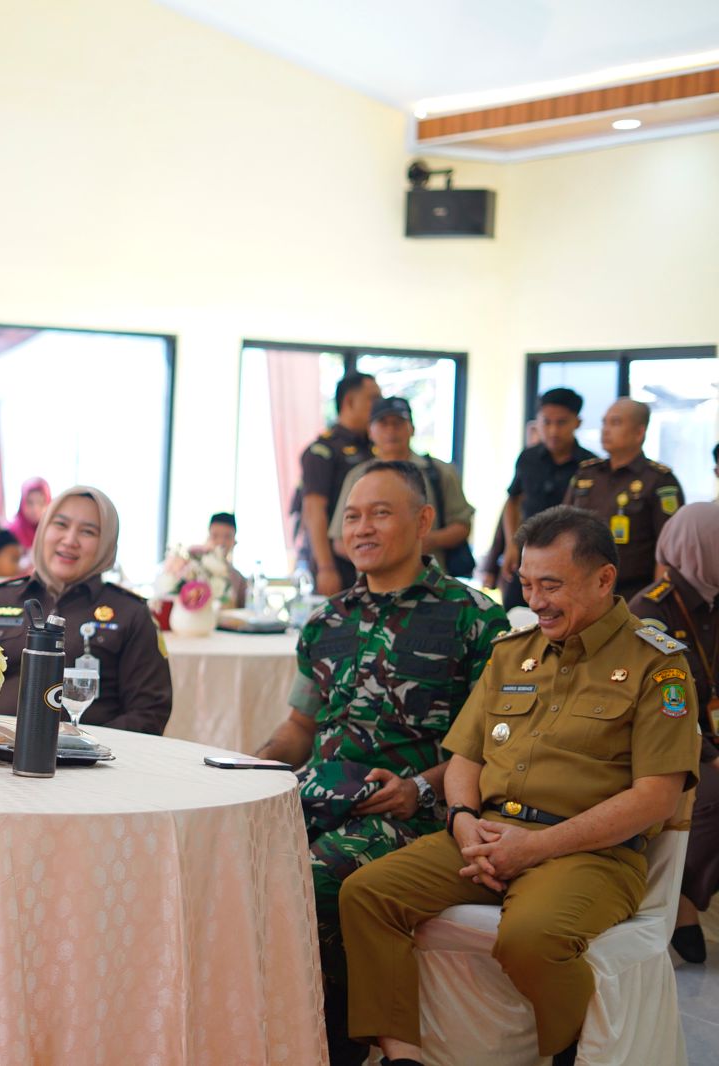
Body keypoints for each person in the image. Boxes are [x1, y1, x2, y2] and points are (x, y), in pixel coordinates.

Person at [339, 505, 701, 1066]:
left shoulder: (658, 666)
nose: (535, 602)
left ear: (604, 579)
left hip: (590, 855)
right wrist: (463, 821)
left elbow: (655, 797)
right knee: (366, 894)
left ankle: (570, 1050)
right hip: (486, 835)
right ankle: (403, 1056)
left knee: (530, 939)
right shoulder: (514, 653)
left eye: (551, 585)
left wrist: (535, 847)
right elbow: (465, 757)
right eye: (527, 584)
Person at [253, 460, 506, 1065]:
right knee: (231, 861)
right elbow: (299, 729)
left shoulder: (475, 619)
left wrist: (422, 787)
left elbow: (496, 744)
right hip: (319, 798)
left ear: (423, 521)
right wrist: (249, 769)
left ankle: (332, 1045)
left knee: (309, 877)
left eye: (380, 513)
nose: (362, 528)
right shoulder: (326, 620)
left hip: (411, 814)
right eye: (351, 517)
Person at [0, 485, 172, 733]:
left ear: (106, 544)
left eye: (88, 531)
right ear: (43, 529)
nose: (70, 540)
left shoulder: (131, 613)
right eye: (61, 525)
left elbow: (149, 712)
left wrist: (84, 745)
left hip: (87, 755)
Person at [628, 501, 719, 964]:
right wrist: (710, 756)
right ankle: (680, 895)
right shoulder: (653, 611)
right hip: (665, 749)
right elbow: (659, 712)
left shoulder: (712, 604)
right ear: (700, 547)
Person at [330, 397, 474, 574]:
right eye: (383, 424)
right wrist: (376, 555)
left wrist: (426, 540)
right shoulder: (357, 476)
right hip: (374, 584)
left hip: (430, 580)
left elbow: (462, 525)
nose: (391, 430)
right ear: (370, 431)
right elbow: (339, 541)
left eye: (398, 423)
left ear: (412, 429)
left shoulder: (440, 472)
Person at [567, 397, 684, 599]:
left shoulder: (659, 480)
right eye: (604, 422)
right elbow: (564, 528)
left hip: (633, 592)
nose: (605, 430)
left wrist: (654, 601)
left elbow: (669, 550)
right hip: (582, 588)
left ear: (639, 432)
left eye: (615, 423)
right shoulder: (586, 474)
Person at [499, 388, 596, 609]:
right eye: (546, 422)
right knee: (514, 613)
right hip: (527, 554)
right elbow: (512, 501)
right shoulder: (528, 458)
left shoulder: (590, 466)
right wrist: (511, 545)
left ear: (577, 423)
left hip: (569, 560)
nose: (553, 431)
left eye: (561, 423)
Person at [298, 372, 381, 595]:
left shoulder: (375, 448)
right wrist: (326, 567)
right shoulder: (324, 451)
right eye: (372, 398)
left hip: (370, 564)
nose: (378, 405)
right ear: (349, 402)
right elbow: (314, 511)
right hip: (337, 566)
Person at [205, 511, 248, 609]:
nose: (221, 542)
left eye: (227, 536)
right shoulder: (193, 571)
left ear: (234, 541)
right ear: (208, 537)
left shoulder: (239, 579)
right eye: (215, 535)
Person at [4, 477, 50, 550]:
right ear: (22, 503)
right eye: (29, 503)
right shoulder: (9, 533)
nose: (35, 509)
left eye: (41, 503)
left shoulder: (52, 531)